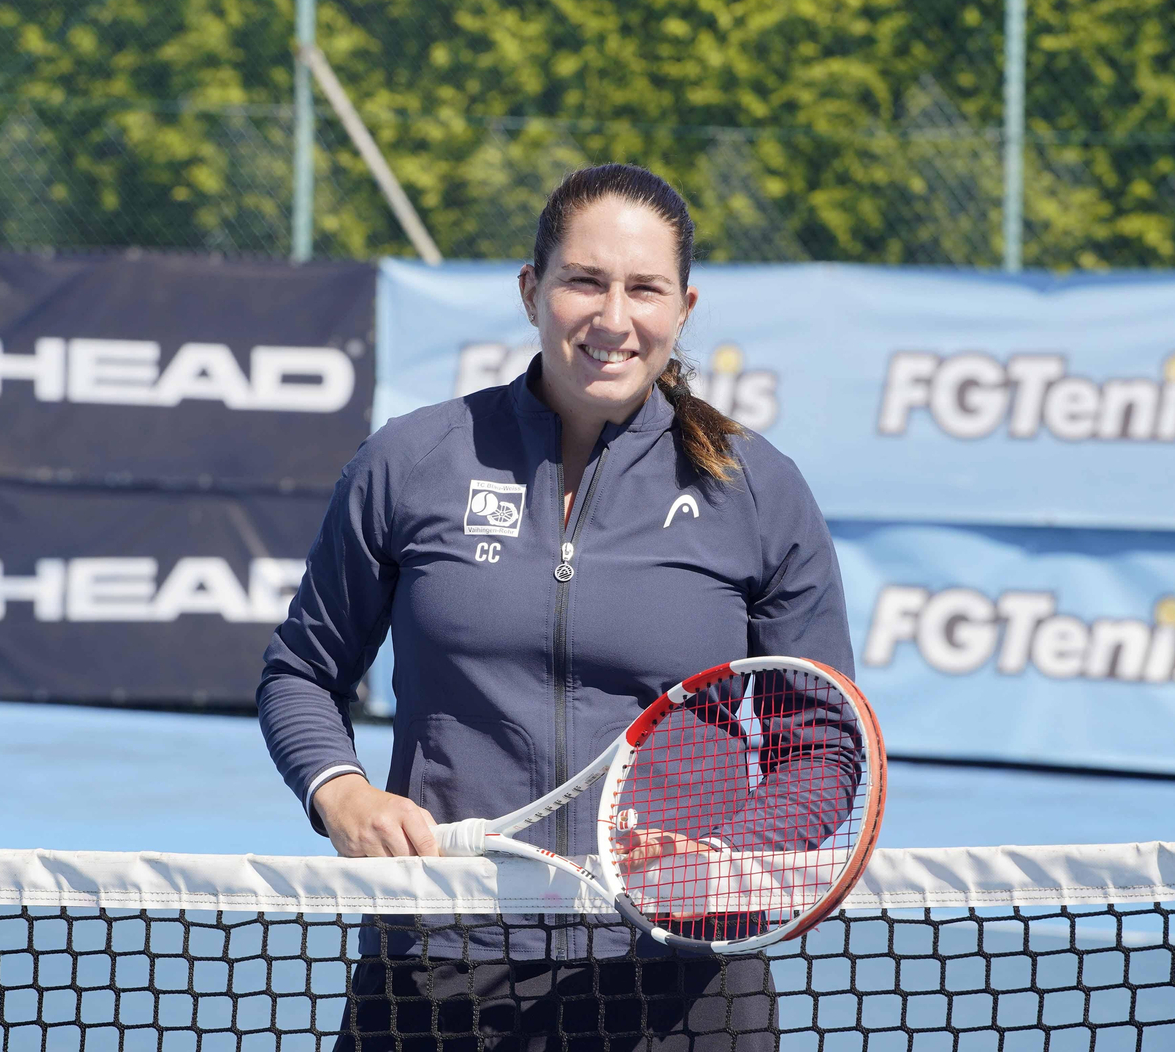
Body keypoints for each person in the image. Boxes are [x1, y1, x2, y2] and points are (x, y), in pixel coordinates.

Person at [258, 163, 853, 1050]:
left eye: (645, 288)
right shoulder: (411, 461)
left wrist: (732, 857)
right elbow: (301, 672)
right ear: (533, 289)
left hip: (684, 976)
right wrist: (338, 791)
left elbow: (824, 738)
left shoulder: (754, 489)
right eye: (585, 281)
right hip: (442, 956)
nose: (614, 319)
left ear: (683, 308)